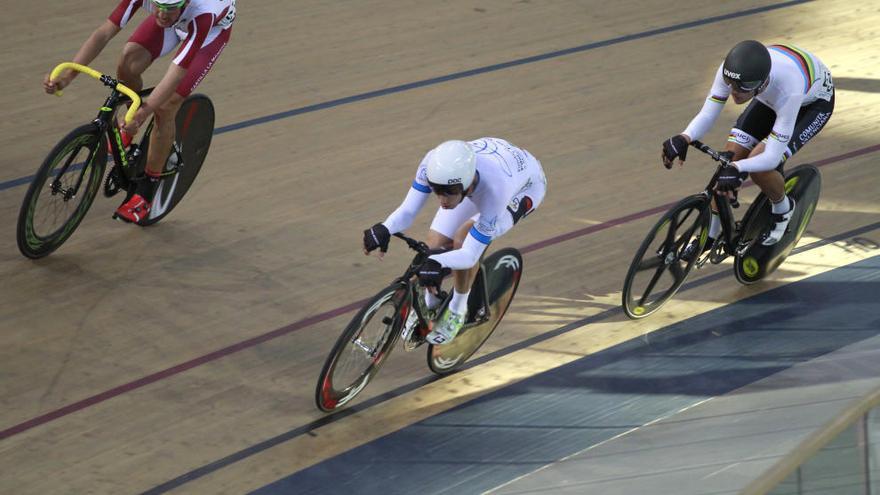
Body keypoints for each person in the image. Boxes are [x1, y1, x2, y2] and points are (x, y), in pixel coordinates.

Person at [43, 0, 236, 224]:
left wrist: (145, 111)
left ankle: (146, 192)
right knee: (128, 61)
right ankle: (129, 127)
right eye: (158, 5)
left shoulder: (204, 14)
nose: (161, 14)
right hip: (178, 23)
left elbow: (176, 73)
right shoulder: (163, 10)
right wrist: (68, 76)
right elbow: (104, 33)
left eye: (169, 8)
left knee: (166, 105)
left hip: (210, 34)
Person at [362, 138, 547, 345]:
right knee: (433, 245)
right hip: (491, 165)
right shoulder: (432, 165)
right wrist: (385, 228)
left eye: (448, 193)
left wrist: (438, 262)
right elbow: (408, 210)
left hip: (524, 188)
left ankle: (457, 310)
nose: (442, 200)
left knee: (462, 239)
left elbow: (469, 254)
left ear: (467, 185)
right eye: (437, 191)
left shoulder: (496, 190)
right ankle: (430, 304)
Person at [662, 40, 834, 253]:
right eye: (730, 84)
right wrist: (685, 137)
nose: (734, 92)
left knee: (760, 168)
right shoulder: (732, 73)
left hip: (811, 106)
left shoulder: (789, 90)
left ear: (762, 83)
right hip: (769, 96)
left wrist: (739, 168)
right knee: (728, 164)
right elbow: (708, 113)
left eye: (742, 88)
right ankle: (711, 235)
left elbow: (771, 157)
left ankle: (783, 209)